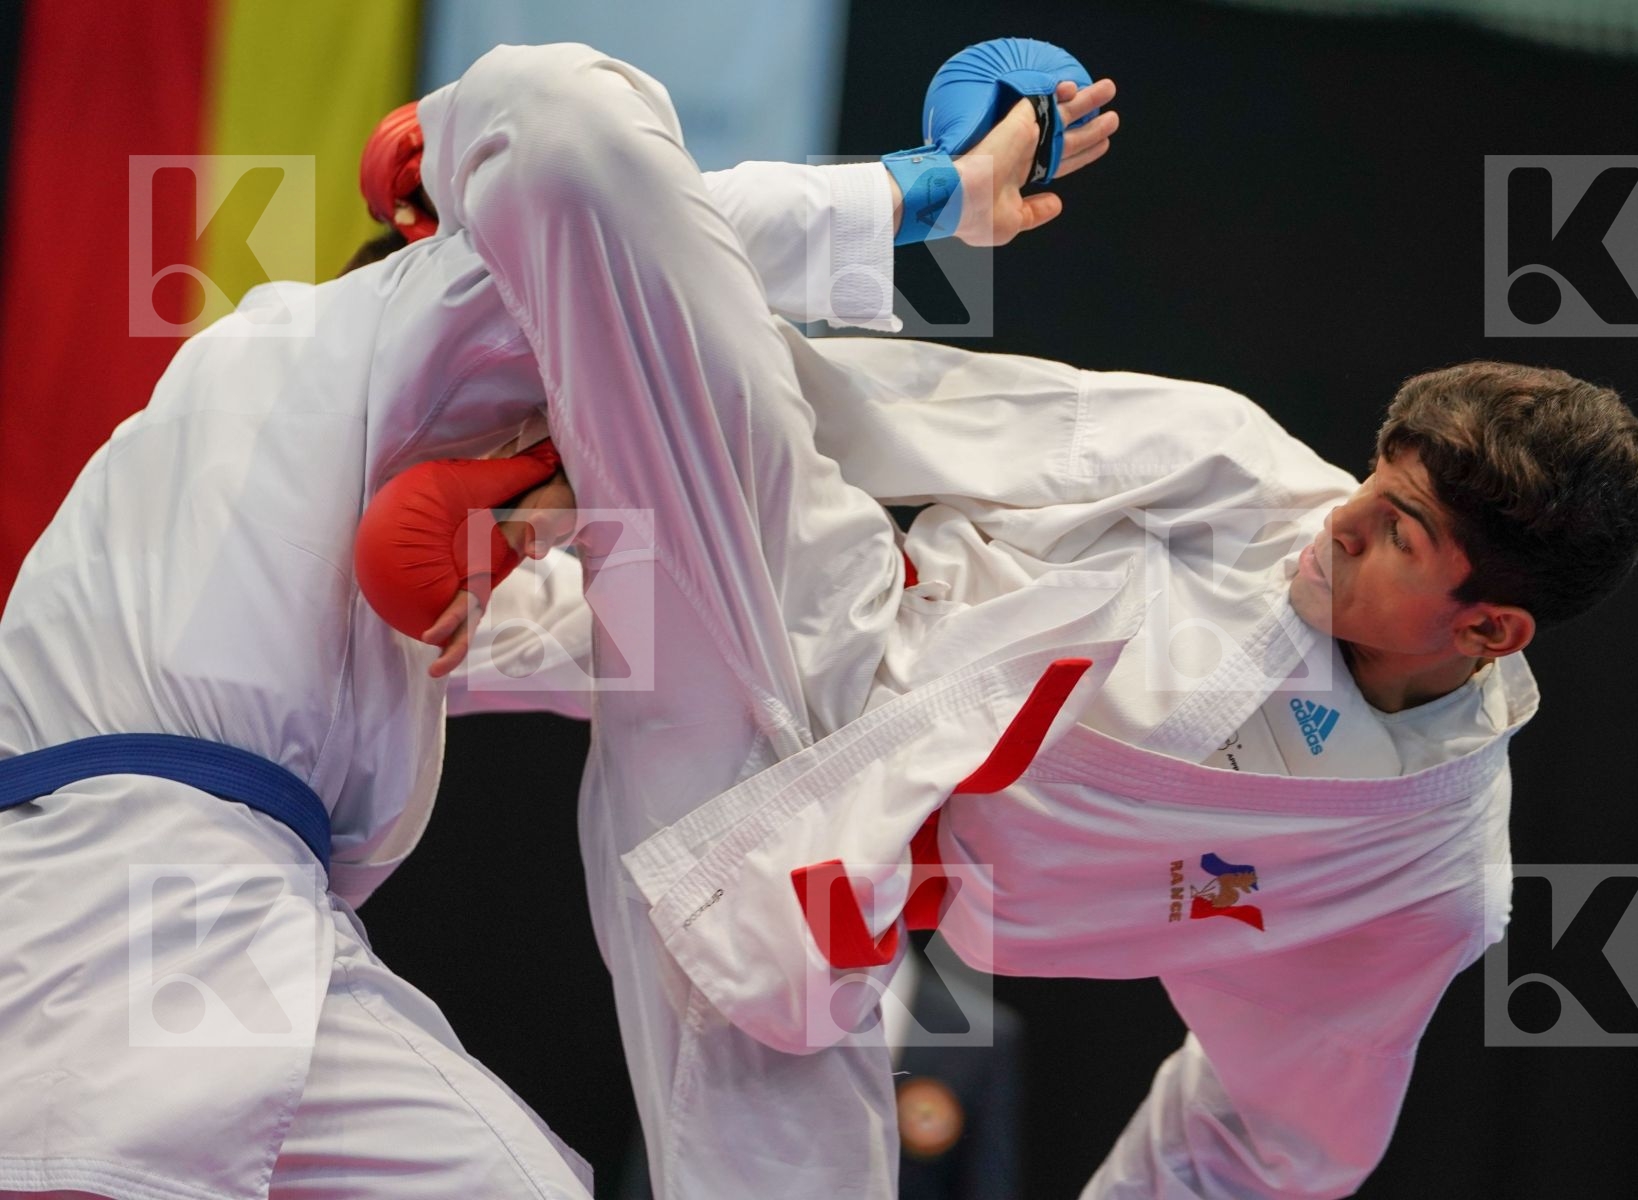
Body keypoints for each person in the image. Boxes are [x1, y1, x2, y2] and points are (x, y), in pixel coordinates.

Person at [364, 39, 1638, 1200]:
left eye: (1397, 535)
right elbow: (897, 408)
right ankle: (477, 283)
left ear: (1491, 630)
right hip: (812, 595)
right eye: (1374, 484)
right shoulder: (1235, 471)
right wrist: (585, 399)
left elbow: (1271, 1146)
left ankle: (501, 551)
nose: (1340, 521)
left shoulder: (1415, 874)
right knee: (574, 129)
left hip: (812, 918)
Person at [0, 39, 1106, 1197]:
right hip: (176, 901)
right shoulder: (382, 318)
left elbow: (593, 631)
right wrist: (925, 192)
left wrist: (853, 616)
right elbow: (642, 228)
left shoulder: (262, 487)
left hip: (123, 916)